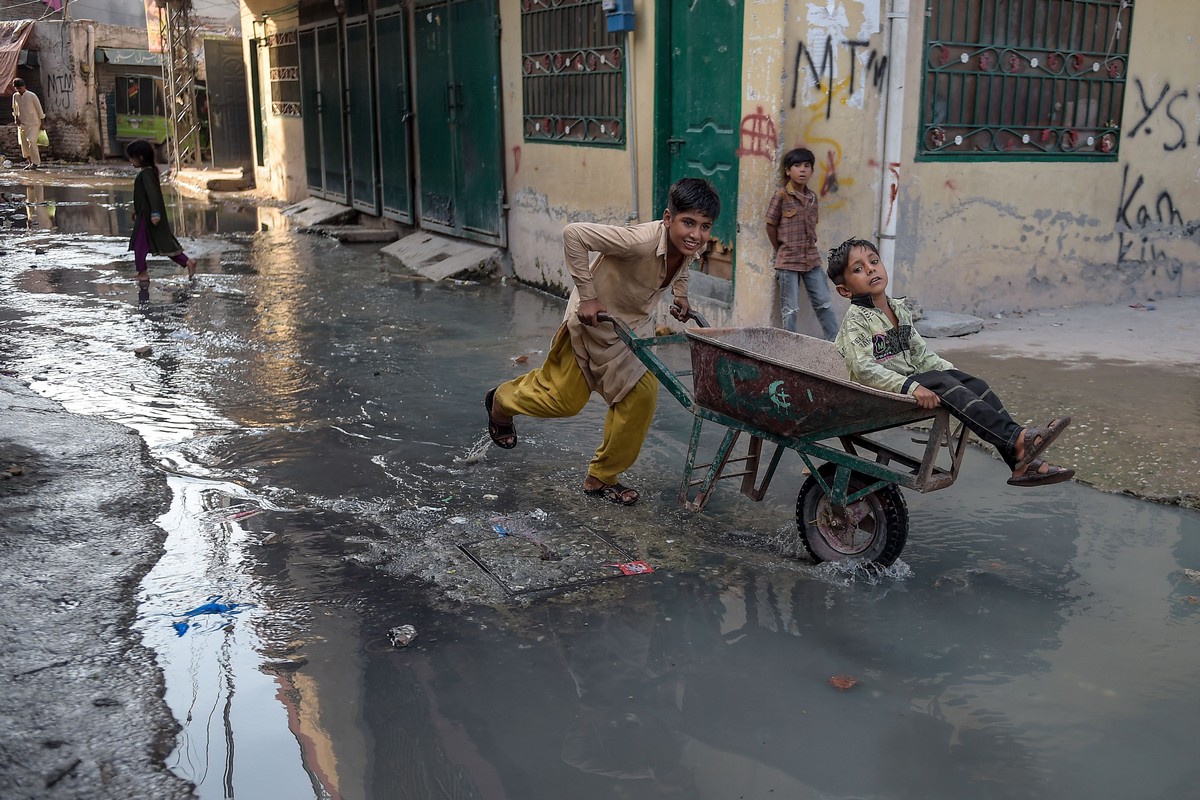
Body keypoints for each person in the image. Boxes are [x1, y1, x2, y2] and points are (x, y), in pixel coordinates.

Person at [484, 177, 721, 506]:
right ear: (668, 219)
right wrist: (589, 297)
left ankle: (601, 477)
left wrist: (680, 295)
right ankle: (501, 401)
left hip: (627, 332)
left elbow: (684, 265)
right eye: (688, 223)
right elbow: (574, 235)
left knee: (641, 396)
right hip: (590, 325)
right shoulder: (637, 241)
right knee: (565, 401)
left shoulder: (687, 247)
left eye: (705, 226)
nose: (696, 234)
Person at [826, 237, 1074, 487]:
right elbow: (864, 369)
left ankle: (1020, 461)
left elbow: (921, 355)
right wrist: (913, 388)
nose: (870, 269)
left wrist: (958, 377)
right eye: (858, 269)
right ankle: (1018, 440)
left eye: (874, 261)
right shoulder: (856, 320)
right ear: (845, 290)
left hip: (907, 381)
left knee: (973, 384)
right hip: (878, 391)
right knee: (942, 382)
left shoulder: (898, 309)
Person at [765, 147, 839, 340]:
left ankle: (835, 341)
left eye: (807, 166)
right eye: (797, 166)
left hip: (811, 260)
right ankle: (790, 346)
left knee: (824, 302)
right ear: (788, 171)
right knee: (790, 309)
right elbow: (770, 225)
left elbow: (812, 227)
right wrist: (780, 248)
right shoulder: (781, 196)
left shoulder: (813, 198)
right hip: (788, 260)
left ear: (812, 171)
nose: (802, 170)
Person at [126, 139, 196, 283]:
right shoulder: (148, 172)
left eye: (132, 157)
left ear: (141, 157)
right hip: (145, 215)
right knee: (162, 243)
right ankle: (188, 262)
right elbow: (145, 197)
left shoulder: (146, 174)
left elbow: (153, 195)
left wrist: (155, 213)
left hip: (148, 217)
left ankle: (143, 273)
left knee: (140, 245)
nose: (130, 160)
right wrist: (137, 210)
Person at [11, 79, 45, 171]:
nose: (19, 90)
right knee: (24, 144)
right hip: (22, 123)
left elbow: (39, 109)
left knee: (31, 141)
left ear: (24, 86)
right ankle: (30, 162)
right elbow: (15, 108)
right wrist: (16, 118)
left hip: (34, 123)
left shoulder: (31, 95)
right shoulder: (15, 96)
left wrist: (42, 123)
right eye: (17, 88)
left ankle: (36, 163)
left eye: (20, 88)